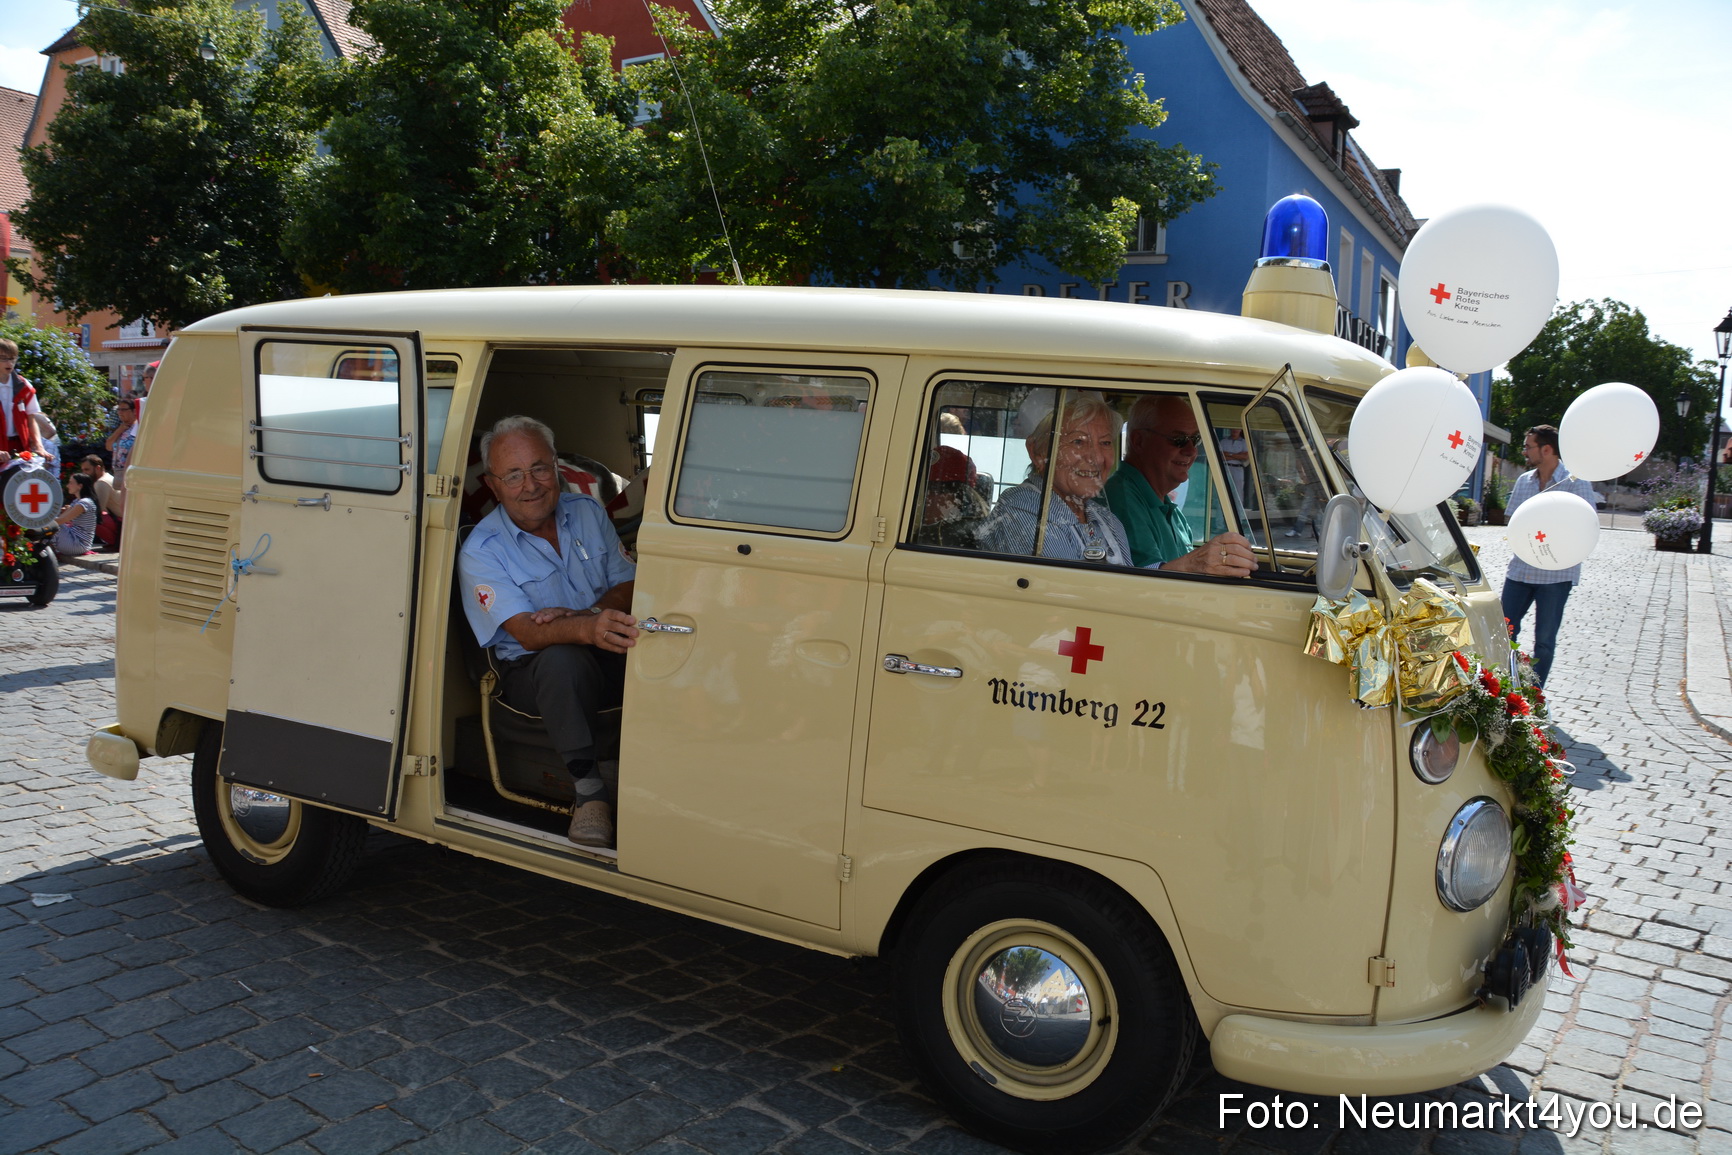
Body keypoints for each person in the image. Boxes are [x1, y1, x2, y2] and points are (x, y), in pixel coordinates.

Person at [458, 415, 637, 848]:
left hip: (603, 645)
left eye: (539, 468)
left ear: (556, 466)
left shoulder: (587, 511)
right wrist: (585, 627)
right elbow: (528, 634)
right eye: (513, 475)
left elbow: (630, 584)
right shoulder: (482, 551)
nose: (530, 485)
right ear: (494, 485)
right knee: (561, 659)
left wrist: (591, 615)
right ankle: (589, 793)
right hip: (531, 671)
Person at [1104, 395, 1256, 577]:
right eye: (1178, 439)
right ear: (1139, 441)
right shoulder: (1121, 499)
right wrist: (1196, 562)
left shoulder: (1171, 511)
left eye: (1195, 439)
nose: (1191, 451)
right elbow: (1144, 582)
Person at [979, 395, 1132, 562]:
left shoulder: (1105, 518)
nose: (1097, 458)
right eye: (1078, 441)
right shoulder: (1022, 511)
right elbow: (1059, 579)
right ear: (1038, 453)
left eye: (1105, 443)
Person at [1502, 423, 1597, 686]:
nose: (1524, 452)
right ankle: (1505, 687)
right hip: (1521, 570)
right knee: (1504, 631)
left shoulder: (1576, 482)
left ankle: (1534, 694)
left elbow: (1587, 525)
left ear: (1546, 449)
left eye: (1528, 446)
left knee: (1544, 640)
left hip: (1556, 575)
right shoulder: (1524, 481)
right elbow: (1512, 521)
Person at [0, 339, 46, 467]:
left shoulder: (24, 386)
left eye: (12, 358)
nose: (9, 363)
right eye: (3, 358)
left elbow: (31, 418)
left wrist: (38, 446)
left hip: (18, 449)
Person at [49, 473, 98, 561]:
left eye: (71, 483)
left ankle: (49, 554)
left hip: (79, 544)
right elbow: (61, 518)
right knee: (53, 524)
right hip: (73, 539)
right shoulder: (77, 501)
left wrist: (41, 521)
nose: (68, 486)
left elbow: (61, 521)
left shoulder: (84, 503)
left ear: (80, 486)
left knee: (55, 526)